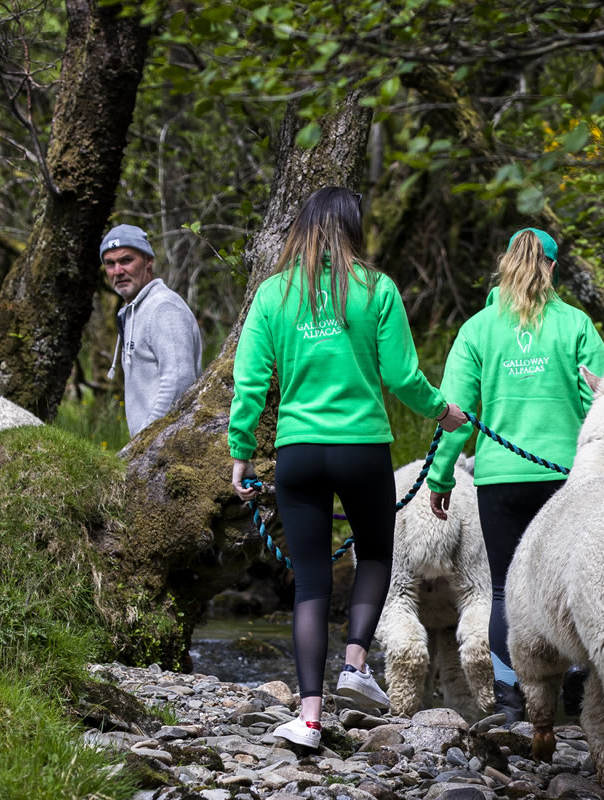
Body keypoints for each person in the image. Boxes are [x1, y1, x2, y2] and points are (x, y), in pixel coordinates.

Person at [228, 186, 465, 749]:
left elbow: (250, 383)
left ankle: (309, 720)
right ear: (352, 228)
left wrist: (240, 451)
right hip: (363, 448)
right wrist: (443, 412)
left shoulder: (272, 295)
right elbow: (404, 378)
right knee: (377, 554)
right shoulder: (376, 289)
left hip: (299, 452)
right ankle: (355, 665)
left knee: (309, 582)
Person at [426, 227, 604, 723]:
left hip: (500, 479)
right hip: (567, 480)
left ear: (505, 263)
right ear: (552, 267)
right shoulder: (576, 324)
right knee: (571, 587)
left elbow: (453, 413)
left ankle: (512, 702)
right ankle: (574, 688)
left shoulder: (478, 329)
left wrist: (442, 476)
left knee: (507, 591)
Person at [100, 223, 203, 436]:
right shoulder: (134, 311)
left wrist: (143, 446)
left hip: (168, 449)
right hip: (152, 450)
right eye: (110, 264)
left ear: (148, 261)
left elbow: (179, 385)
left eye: (126, 260)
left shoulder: (164, 308)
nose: (118, 271)